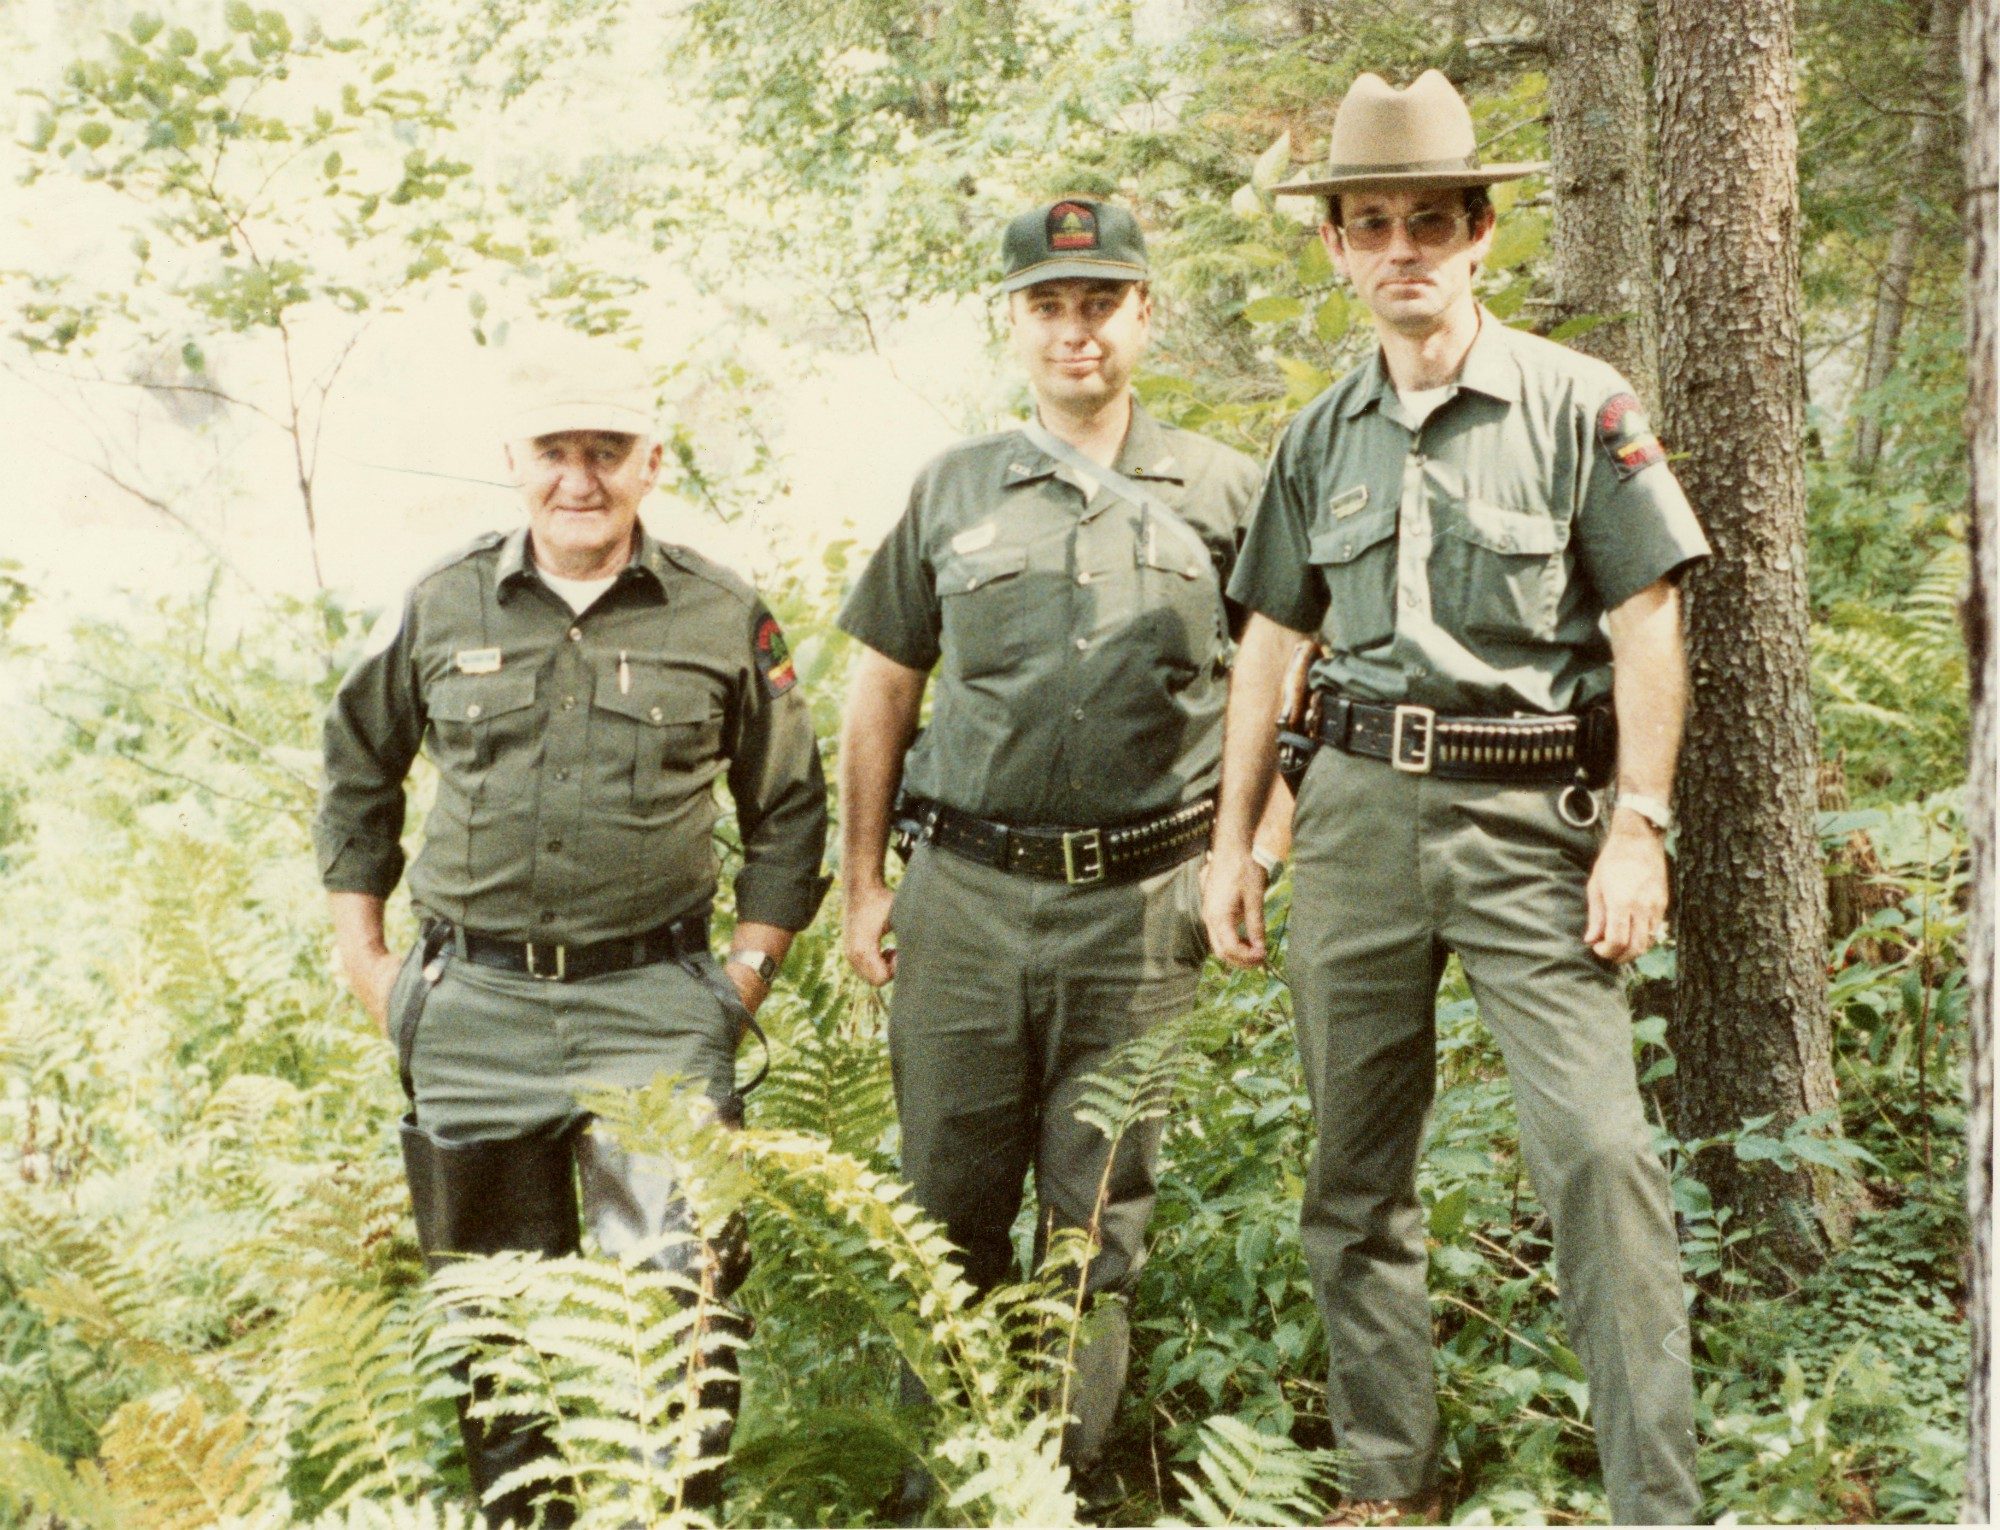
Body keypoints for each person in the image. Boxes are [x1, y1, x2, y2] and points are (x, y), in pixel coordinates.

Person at [1203, 71, 1710, 1526]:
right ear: (1340, 249)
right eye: (1374, 223)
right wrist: (1237, 838)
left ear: (1483, 231)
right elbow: (1273, 644)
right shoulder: (1318, 438)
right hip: (1358, 814)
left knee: (1602, 1155)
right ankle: (1388, 1484)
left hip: (1534, 825)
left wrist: (1639, 824)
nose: (1404, 247)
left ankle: (1655, 1502)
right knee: (1353, 1172)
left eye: (1433, 218)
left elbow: (1647, 623)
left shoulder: (1575, 405)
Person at [315, 331, 829, 1527]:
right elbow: (356, 769)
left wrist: (744, 975)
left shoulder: (719, 612)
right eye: (556, 451)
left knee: (680, 1312)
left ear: (653, 461)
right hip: (473, 1010)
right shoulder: (442, 602)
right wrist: (369, 964)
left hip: (654, 1005)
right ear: (516, 461)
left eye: (608, 451)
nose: (580, 478)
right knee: (498, 1327)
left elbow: (789, 804)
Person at [835, 197, 1280, 1502]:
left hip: (1142, 909)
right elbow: (881, 688)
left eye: (1102, 301)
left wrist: (1249, 848)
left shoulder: (1224, 489)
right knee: (945, 1213)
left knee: (1096, 1226)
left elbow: (1288, 681)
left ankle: (1061, 1485)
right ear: (1015, 321)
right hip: (964, 900)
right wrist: (862, 882)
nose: (1075, 328)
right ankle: (938, 1481)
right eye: (1049, 304)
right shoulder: (953, 487)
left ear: (1144, 312)